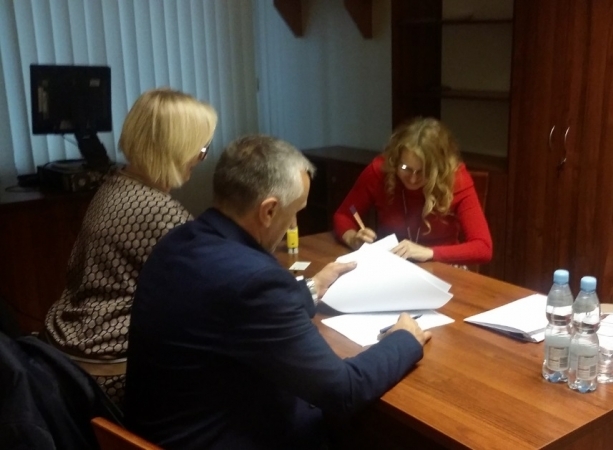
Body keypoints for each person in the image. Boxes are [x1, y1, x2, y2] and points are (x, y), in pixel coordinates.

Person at [124, 135, 431, 449]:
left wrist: (312, 288)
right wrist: (404, 339)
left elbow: (232, 312)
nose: (293, 223)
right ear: (268, 211)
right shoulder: (255, 280)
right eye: (295, 211)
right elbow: (343, 390)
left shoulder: (177, 242)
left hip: (165, 431)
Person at [43, 88, 218, 405]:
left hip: (68, 345)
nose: (201, 158)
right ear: (177, 148)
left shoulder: (116, 183)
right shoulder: (158, 211)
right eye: (201, 148)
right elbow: (213, 288)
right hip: (110, 365)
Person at [333, 117, 492, 266]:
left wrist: (429, 252)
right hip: (391, 264)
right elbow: (344, 215)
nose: (413, 179)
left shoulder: (456, 179)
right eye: (405, 168)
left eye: (423, 172)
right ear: (395, 160)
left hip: (442, 266)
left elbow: (483, 247)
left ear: (438, 169)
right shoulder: (381, 170)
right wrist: (353, 238)